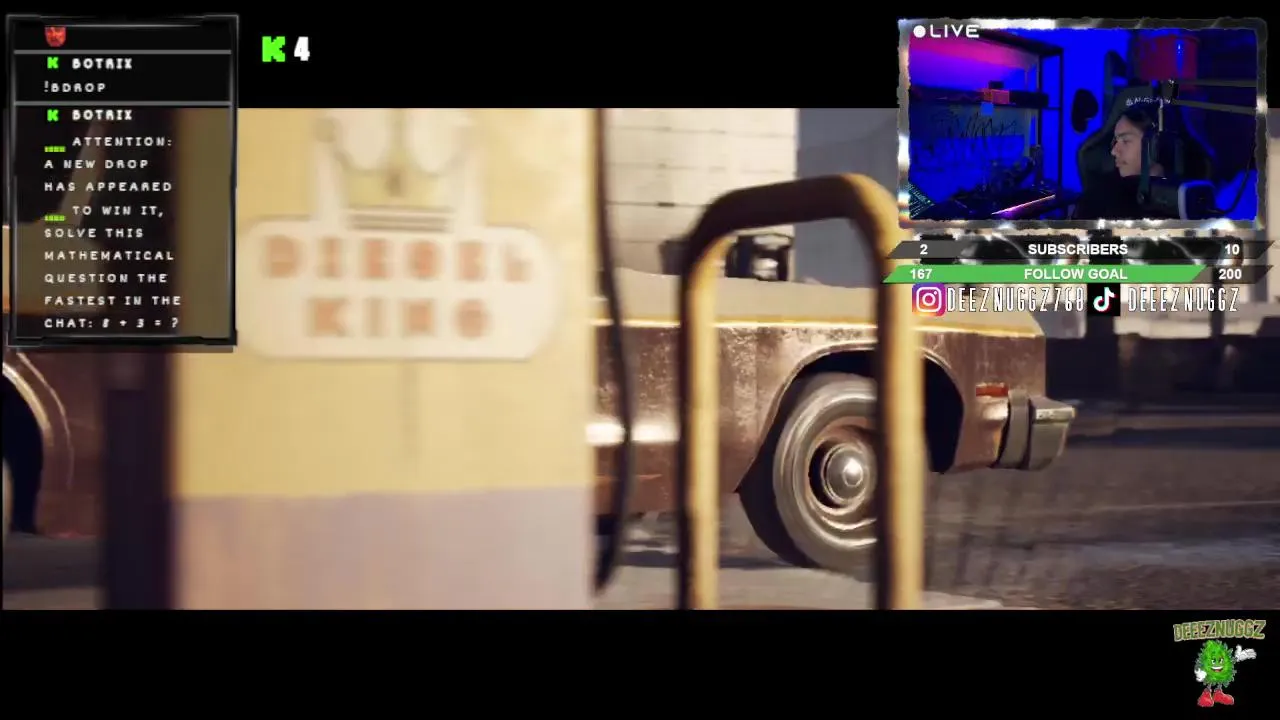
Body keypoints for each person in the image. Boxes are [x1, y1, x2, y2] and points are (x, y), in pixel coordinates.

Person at [1072, 102, 1179, 220]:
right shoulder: (1098, 198)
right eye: (1116, 141)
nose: (1114, 151)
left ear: (1156, 145)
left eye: (1126, 141)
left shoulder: (1184, 198)